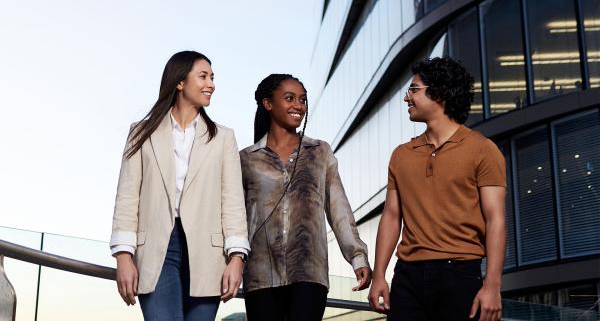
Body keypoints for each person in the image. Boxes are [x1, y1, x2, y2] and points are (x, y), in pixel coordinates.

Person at [110, 51, 250, 321]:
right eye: (203, 76)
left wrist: (237, 258)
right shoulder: (141, 133)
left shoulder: (223, 138)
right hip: (157, 248)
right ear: (180, 82)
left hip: (209, 255)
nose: (211, 84)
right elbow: (127, 197)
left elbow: (232, 202)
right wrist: (124, 256)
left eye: (212, 77)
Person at [368, 57, 506, 321]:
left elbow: (496, 219)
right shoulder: (401, 154)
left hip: (461, 274)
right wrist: (379, 275)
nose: (406, 98)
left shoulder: (482, 149)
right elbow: (391, 217)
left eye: (414, 89)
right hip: (407, 276)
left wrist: (492, 285)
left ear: (440, 93)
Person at [240, 74, 372, 321]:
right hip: (260, 276)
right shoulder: (247, 158)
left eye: (302, 99)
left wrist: (357, 257)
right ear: (268, 104)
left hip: (310, 275)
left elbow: (338, 208)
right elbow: (235, 218)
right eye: (289, 98)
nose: (298, 105)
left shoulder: (319, 151)